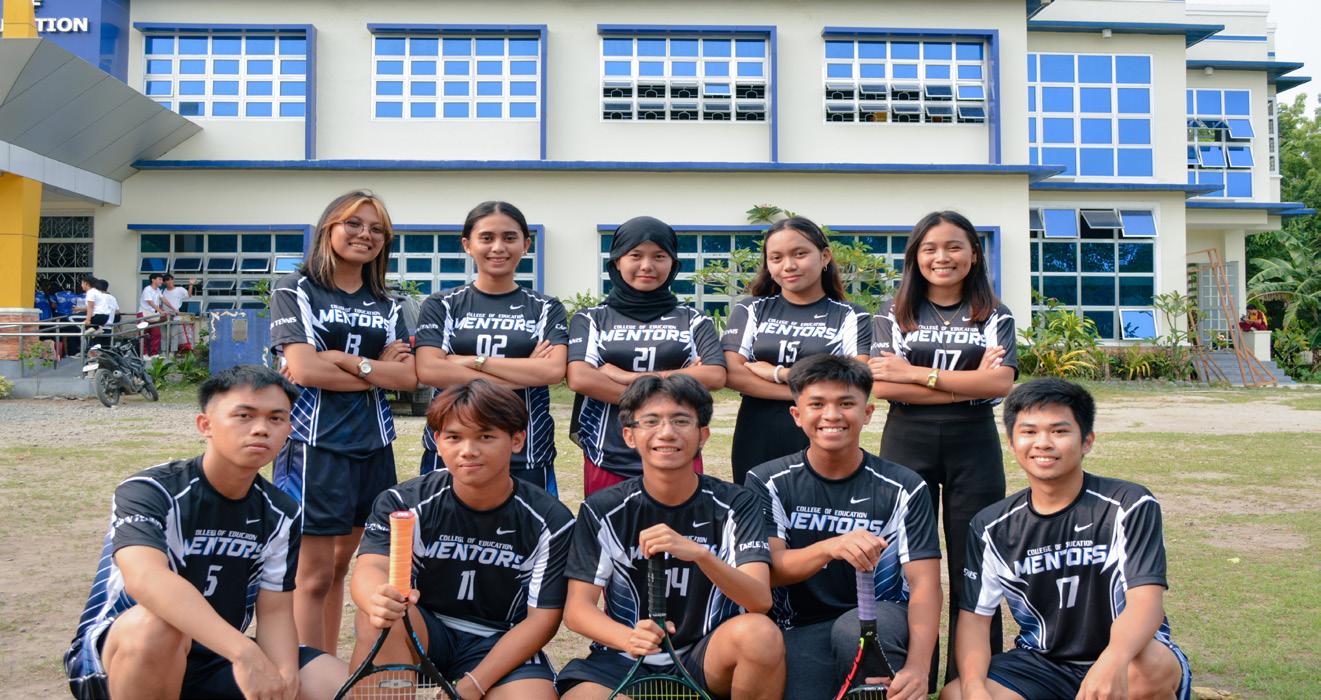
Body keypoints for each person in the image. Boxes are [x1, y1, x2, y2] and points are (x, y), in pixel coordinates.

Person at [63, 365, 348, 700]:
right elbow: (145, 579)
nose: (261, 429)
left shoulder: (281, 511)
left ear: (289, 429)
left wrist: (285, 677)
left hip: (217, 656)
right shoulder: (150, 490)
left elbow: (275, 610)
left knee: (334, 681)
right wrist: (244, 652)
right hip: (120, 657)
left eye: (276, 418)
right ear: (205, 425)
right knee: (158, 627)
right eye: (244, 416)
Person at [941, 379, 1192, 700]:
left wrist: (1112, 661)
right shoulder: (990, 525)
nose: (1043, 443)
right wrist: (974, 687)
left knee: (1147, 671)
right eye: (1029, 432)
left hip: (1126, 655)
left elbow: (1146, 602)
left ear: (1087, 441)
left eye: (1059, 431)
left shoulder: (1128, 504)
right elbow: (976, 620)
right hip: (1042, 663)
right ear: (1012, 442)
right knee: (957, 695)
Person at [558, 375, 784, 700]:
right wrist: (628, 638)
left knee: (761, 634)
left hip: (705, 655)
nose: (666, 433)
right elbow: (577, 610)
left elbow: (759, 599)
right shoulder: (602, 508)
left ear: (702, 434)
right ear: (629, 435)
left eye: (681, 421)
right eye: (651, 421)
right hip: (625, 655)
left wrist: (701, 555)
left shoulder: (736, 503)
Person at [349, 379, 573, 700]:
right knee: (379, 619)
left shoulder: (551, 520)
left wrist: (472, 686)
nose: (468, 450)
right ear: (438, 442)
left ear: (517, 440)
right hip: (425, 630)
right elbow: (371, 566)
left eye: (485, 436)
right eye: (454, 437)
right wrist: (377, 598)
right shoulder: (402, 501)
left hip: (499, 640)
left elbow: (542, 620)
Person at [868, 210, 1017, 684]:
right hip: (906, 437)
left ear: (974, 254)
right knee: (907, 558)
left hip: (974, 441)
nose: (942, 257)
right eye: (930, 248)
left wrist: (915, 373)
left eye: (954, 246)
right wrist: (968, 385)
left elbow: (1001, 383)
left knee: (975, 559)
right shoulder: (893, 313)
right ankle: (910, 672)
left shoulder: (994, 313)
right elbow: (883, 387)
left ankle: (971, 676)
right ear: (915, 257)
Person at [270, 190, 419, 653]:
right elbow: (305, 370)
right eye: (353, 224)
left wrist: (344, 360)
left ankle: (328, 666)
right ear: (328, 229)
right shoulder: (295, 289)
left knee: (340, 567)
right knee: (311, 574)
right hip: (314, 445)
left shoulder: (389, 303)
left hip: (374, 444)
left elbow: (408, 378)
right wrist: (376, 372)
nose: (365, 235)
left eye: (376, 229)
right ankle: (310, 671)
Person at [745, 354, 942, 700]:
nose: (832, 415)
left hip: (880, 620)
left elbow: (924, 584)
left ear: (867, 413)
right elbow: (769, 572)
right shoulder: (766, 481)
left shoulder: (904, 486)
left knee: (854, 630)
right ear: (797, 415)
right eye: (817, 404)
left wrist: (918, 667)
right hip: (800, 627)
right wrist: (830, 547)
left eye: (846, 403)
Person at [414, 201, 569, 494]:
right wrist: (525, 370)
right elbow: (429, 369)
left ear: (526, 245)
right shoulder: (442, 304)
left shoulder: (546, 307)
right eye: (486, 238)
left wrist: (472, 361)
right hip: (452, 453)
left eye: (509, 238)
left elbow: (551, 370)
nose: (498, 247)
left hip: (527, 451)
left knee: (528, 525)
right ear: (467, 245)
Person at [567, 216, 726, 496]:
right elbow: (580, 378)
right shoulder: (591, 318)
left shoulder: (693, 319)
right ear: (617, 261)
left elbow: (714, 375)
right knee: (610, 522)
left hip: (678, 447)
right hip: (608, 454)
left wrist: (626, 376)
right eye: (635, 255)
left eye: (659, 256)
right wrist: (680, 379)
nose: (647, 266)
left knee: (683, 521)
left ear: (673, 264)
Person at [722, 215, 871, 485]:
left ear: (825, 256)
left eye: (800, 254)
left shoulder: (851, 315)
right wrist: (812, 396)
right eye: (776, 258)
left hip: (825, 432)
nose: (788, 265)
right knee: (755, 508)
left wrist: (778, 373)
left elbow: (855, 380)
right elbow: (732, 373)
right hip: (756, 434)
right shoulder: (751, 309)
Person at [159, 274, 197, 353]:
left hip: (175, 314)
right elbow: (159, 303)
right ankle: (163, 352)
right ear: (164, 282)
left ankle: (173, 352)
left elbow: (189, 295)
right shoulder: (162, 291)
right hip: (164, 315)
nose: (169, 282)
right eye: (167, 280)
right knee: (163, 335)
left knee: (174, 334)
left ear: (173, 280)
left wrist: (191, 284)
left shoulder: (180, 289)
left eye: (170, 279)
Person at [138, 273, 165, 356]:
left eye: (162, 279)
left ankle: (154, 354)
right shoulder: (147, 289)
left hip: (154, 315)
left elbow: (163, 299)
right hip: (143, 314)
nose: (161, 281)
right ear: (153, 280)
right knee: (143, 335)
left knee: (156, 334)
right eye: (160, 279)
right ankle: (144, 354)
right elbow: (150, 302)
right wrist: (160, 311)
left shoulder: (158, 290)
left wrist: (174, 308)